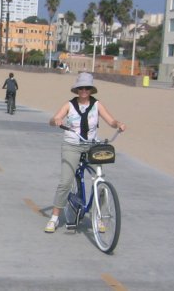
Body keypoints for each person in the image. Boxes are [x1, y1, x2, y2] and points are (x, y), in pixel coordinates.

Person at [45, 72, 126, 233]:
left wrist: (118, 124)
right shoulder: (69, 105)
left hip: (91, 146)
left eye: (87, 88)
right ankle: (54, 218)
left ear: (91, 90)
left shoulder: (97, 105)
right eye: (81, 88)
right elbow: (52, 120)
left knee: (100, 181)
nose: (84, 90)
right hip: (72, 145)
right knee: (66, 182)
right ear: (76, 89)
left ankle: (98, 216)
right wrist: (57, 120)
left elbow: (110, 121)